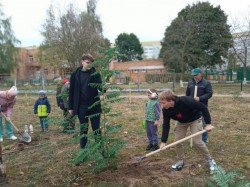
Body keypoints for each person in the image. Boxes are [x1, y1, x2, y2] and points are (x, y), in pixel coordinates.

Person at [158, 90, 217, 173]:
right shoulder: (166, 110)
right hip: (181, 122)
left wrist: (208, 124)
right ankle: (180, 161)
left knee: (197, 142)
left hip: (195, 120)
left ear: (171, 100)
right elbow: (166, 124)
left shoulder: (186, 101)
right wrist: (163, 141)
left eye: (163, 103)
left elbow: (203, 108)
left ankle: (210, 159)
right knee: (177, 142)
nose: (162, 105)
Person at [68, 53, 102, 149]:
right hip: (81, 107)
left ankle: (99, 149)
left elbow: (101, 88)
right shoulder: (75, 75)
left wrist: (104, 87)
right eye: (87, 62)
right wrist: (71, 107)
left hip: (94, 106)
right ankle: (83, 151)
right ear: (82, 62)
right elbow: (72, 92)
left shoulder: (95, 73)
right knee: (83, 129)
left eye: (91, 63)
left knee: (96, 129)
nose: (89, 64)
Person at [186, 68, 213, 143]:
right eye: (193, 75)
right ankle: (195, 138)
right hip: (192, 106)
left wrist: (200, 98)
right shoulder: (190, 83)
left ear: (200, 74)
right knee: (193, 122)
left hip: (202, 106)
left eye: (196, 75)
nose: (194, 76)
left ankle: (204, 139)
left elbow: (209, 94)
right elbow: (187, 94)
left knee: (203, 122)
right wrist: (188, 101)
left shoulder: (206, 83)